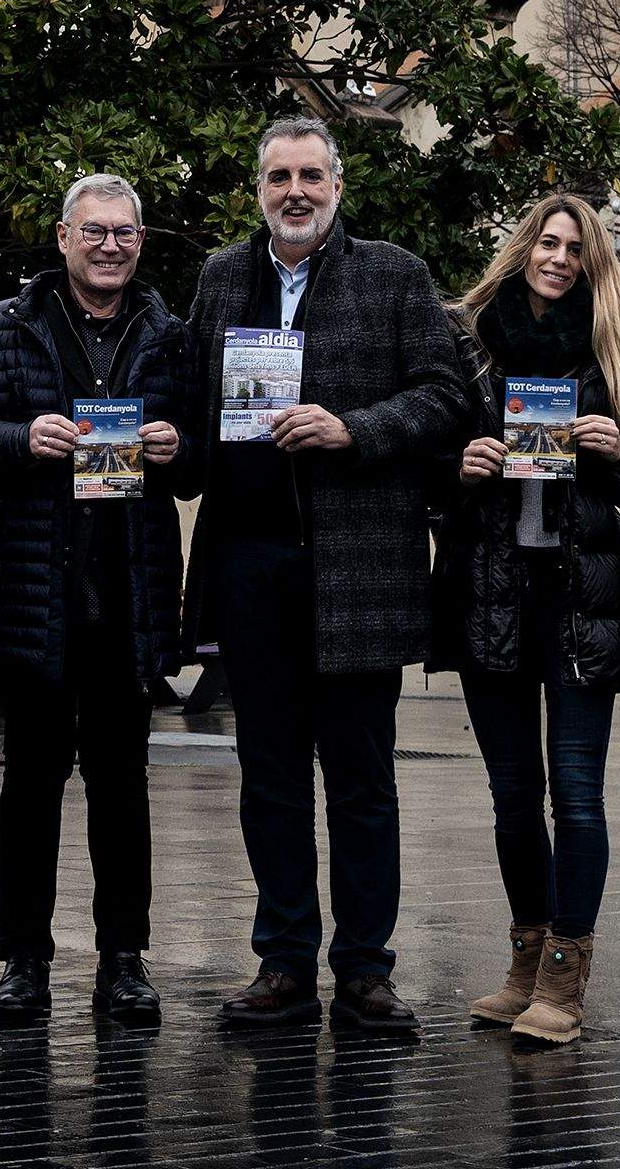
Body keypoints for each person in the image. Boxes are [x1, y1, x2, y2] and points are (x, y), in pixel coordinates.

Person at [181, 115, 469, 1034]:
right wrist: (167, 440)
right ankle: (283, 963)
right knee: (267, 777)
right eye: (278, 178)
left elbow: (447, 395)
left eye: (310, 175)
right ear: (257, 190)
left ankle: (366, 971)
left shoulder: (394, 274)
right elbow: (192, 404)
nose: (294, 192)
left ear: (337, 186)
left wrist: (353, 428)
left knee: (361, 780)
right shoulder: (221, 277)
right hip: (252, 560)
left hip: (361, 564)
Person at [0, 173, 192, 1028]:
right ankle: (24, 962)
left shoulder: (171, 337)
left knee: (124, 788)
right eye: (95, 232)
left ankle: (125, 960)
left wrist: (176, 445)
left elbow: (206, 455)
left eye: (125, 234)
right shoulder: (1, 328)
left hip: (128, 598)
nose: (111, 247)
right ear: (61, 238)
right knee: (31, 788)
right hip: (32, 595)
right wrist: (22, 439)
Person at [435, 194, 620, 1047]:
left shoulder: (619, 350)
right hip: (491, 591)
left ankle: (566, 978)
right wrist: (460, 464)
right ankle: (524, 958)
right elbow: (433, 462)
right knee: (509, 797)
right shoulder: (468, 342)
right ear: (523, 247)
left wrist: (619, 451)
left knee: (577, 795)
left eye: (575, 247)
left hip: (580, 598)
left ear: (593, 261)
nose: (558, 257)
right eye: (546, 241)